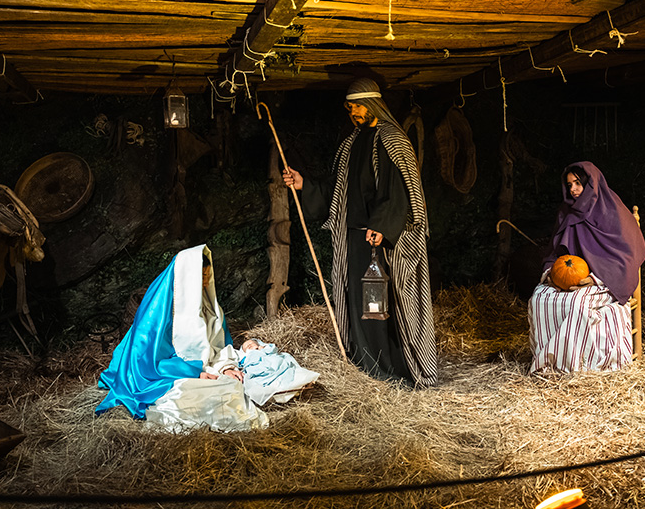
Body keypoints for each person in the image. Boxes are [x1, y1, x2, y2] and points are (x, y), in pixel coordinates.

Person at [282, 77, 438, 387]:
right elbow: (340, 191)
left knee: (386, 305)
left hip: (385, 242)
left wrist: (381, 226)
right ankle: (367, 364)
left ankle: (395, 367)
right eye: (349, 107)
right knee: (361, 305)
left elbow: (400, 194)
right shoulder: (351, 143)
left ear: (371, 105)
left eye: (356, 106)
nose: (352, 111)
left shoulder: (393, 140)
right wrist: (305, 185)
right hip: (354, 239)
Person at [95, 245, 267, 432]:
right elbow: (144, 361)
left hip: (202, 367)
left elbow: (218, 343)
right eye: (199, 276)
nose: (204, 281)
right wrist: (194, 373)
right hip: (171, 371)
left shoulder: (209, 306)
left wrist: (225, 366)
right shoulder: (157, 312)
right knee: (210, 400)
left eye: (206, 275)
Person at [527, 161, 645, 373]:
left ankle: (577, 365)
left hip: (603, 280)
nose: (572, 189)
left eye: (577, 183)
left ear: (591, 184)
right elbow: (555, 252)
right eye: (569, 184)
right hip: (571, 277)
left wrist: (594, 279)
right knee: (538, 298)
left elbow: (627, 255)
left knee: (577, 305)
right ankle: (552, 363)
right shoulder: (567, 213)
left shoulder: (614, 212)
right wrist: (550, 274)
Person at [239, 339, 320, 406]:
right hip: (260, 369)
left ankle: (297, 390)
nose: (248, 345)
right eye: (245, 347)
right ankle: (284, 393)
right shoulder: (248, 356)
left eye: (251, 343)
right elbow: (247, 366)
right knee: (255, 385)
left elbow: (274, 352)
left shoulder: (265, 348)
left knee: (288, 365)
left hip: (275, 364)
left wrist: (264, 348)